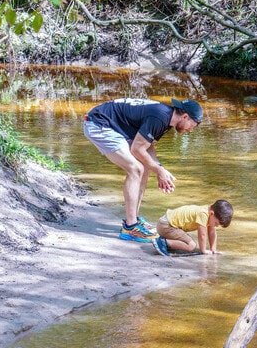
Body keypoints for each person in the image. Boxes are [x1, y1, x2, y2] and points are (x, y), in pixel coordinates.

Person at [83, 97, 203, 242]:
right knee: (135, 169)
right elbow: (137, 149)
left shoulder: (166, 119)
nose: (190, 130)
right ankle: (130, 227)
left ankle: (133, 220)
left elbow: (148, 147)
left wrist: (160, 169)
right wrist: (160, 172)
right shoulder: (159, 117)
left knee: (145, 167)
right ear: (185, 116)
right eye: (193, 125)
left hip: (113, 126)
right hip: (99, 123)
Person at [151, 200, 234, 256]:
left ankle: (169, 243)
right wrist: (203, 250)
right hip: (166, 226)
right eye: (216, 223)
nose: (216, 226)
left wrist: (213, 249)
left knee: (188, 241)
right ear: (212, 213)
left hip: (165, 223)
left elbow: (212, 232)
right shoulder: (203, 214)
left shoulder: (209, 213)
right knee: (191, 246)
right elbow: (202, 235)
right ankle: (162, 242)